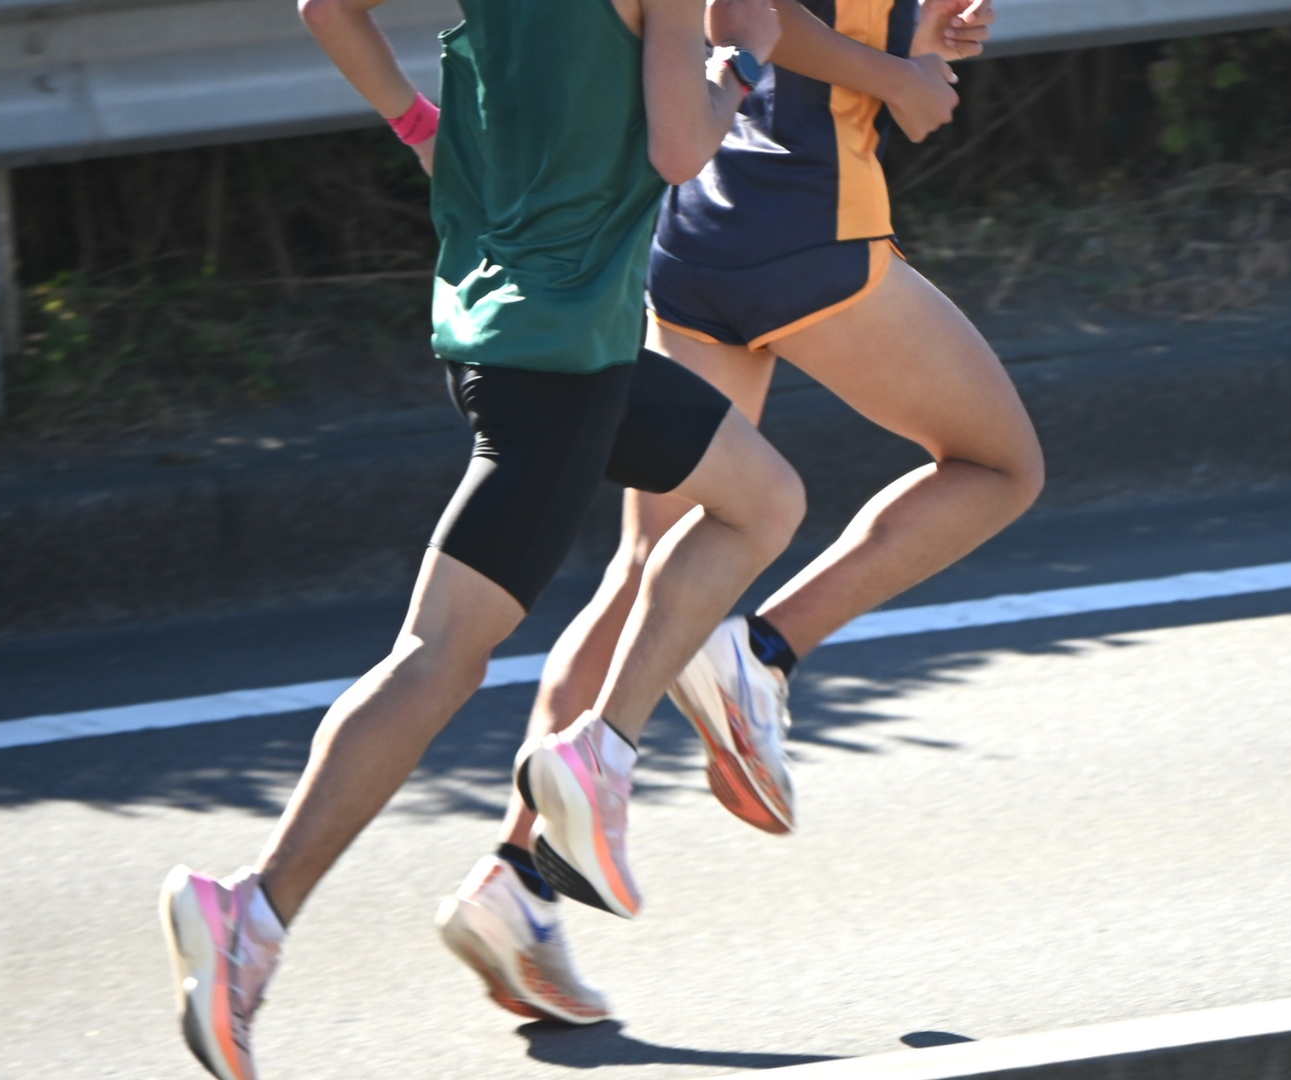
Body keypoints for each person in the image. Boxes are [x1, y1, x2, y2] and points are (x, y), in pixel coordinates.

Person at [157, 0, 801, 1075]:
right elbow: (682, 150)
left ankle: (598, 750)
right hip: (559, 358)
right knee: (440, 655)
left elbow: (327, 6)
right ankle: (251, 917)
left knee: (763, 498)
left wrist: (420, 127)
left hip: (519, 319)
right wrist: (742, 59)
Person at [435, 0, 1044, 1021]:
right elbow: (748, 11)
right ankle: (760, 652)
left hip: (699, 230)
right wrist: (892, 76)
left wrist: (923, 35)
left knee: (649, 567)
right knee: (998, 467)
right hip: (806, 228)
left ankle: (518, 883)